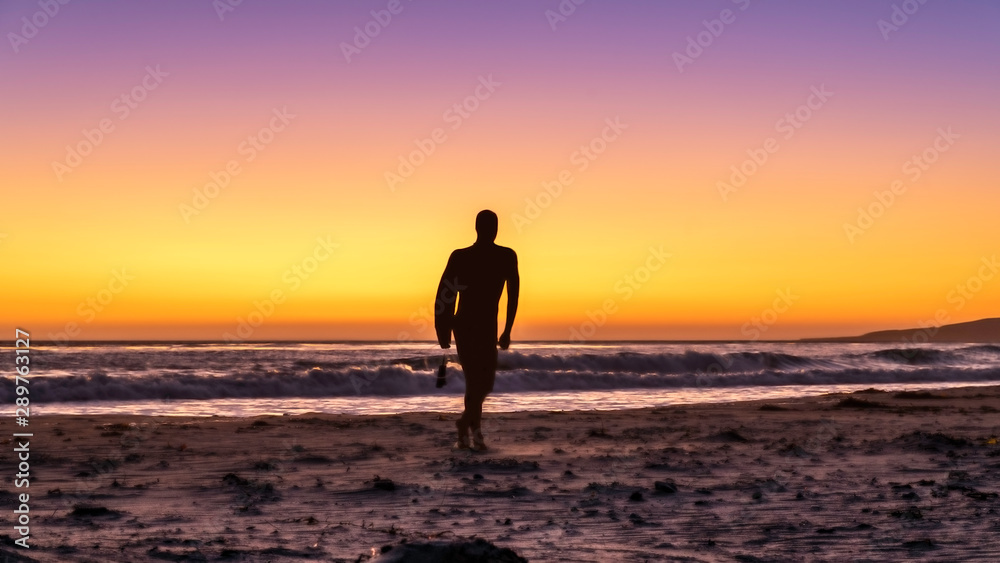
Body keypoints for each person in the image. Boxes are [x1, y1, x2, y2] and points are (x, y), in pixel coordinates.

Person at [435, 210, 519, 451]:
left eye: (493, 226)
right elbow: (445, 293)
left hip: (487, 328)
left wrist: (507, 330)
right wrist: (442, 329)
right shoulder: (461, 256)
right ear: (479, 228)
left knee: (484, 384)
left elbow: (514, 294)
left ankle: (466, 426)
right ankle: (473, 431)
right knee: (476, 382)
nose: (490, 230)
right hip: (465, 326)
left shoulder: (506, 256)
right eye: (488, 226)